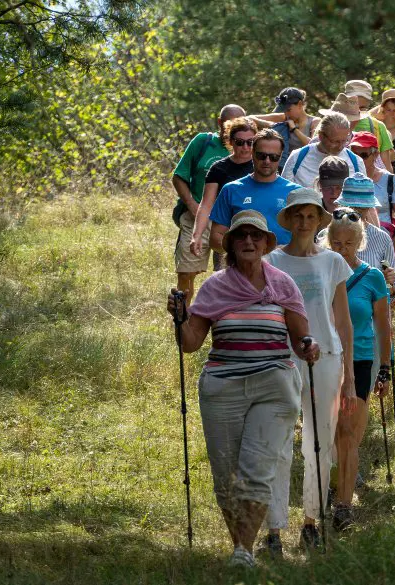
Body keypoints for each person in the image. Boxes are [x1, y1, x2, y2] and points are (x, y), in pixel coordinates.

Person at [166, 210, 320, 568]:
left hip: (274, 385)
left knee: (258, 469)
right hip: (223, 387)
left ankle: (244, 552)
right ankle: (241, 548)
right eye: (241, 236)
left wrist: (310, 348)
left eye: (256, 236)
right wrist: (180, 316)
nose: (249, 241)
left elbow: (301, 340)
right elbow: (190, 343)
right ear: (231, 244)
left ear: (266, 243)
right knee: (226, 473)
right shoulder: (215, 286)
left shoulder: (282, 284)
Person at [262, 188, 357, 554]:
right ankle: (273, 528)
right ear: (289, 219)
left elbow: (343, 320)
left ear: (320, 221)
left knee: (319, 443)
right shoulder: (272, 261)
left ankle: (311, 521)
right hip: (283, 358)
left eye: (311, 216)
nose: (304, 222)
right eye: (298, 216)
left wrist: (348, 372)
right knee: (279, 442)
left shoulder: (333, 260)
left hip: (327, 358)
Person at [325, 207, 391, 531]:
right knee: (331, 432)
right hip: (324, 358)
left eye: (348, 243)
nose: (342, 249)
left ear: (359, 243)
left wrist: (386, 368)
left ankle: (343, 506)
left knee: (350, 433)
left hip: (362, 359)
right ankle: (330, 485)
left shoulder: (373, 278)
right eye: (336, 242)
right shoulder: (320, 272)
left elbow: (384, 326)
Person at [171, 104, 246, 303]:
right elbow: (179, 176)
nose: (234, 130)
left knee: (229, 274)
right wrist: (192, 206)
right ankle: (182, 320)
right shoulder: (203, 142)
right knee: (187, 272)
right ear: (220, 123)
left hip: (231, 221)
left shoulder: (248, 148)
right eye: (230, 124)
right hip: (197, 215)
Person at [209, 129, 301, 251]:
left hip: (285, 266)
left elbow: (306, 237)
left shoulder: (296, 193)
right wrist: (245, 251)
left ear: (280, 157)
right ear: (252, 153)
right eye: (261, 156)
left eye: (273, 157)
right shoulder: (231, 190)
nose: (267, 161)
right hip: (243, 265)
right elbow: (216, 238)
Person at [318, 174, 395, 302]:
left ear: (369, 207)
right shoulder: (325, 235)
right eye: (351, 207)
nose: (355, 213)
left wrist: (389, 284)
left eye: (361, 208)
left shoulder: (381, 238)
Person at [189, 117, 258, 259]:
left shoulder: (263, 166)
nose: (245, 147)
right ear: (231, 141)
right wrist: (197, 235)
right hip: (226, 233)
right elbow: (206, 204)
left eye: (250, 142)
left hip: (259, 231)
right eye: (240, 142)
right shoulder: (218, 169)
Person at [348, 132, 395, 254]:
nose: (358, 159)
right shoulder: (346, 178)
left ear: (376, 155)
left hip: (382, 238)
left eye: (364, 155)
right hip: (350, 237)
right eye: (354, 155)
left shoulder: (390, 180)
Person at [282, 110, 366, 188]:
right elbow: (285, 192)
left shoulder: (356, 163)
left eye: (344, 141)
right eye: (335, 141)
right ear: (321, 136)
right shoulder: (297, 157)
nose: (340, 147)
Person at [249, 87, 320, 166]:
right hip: (286, 167)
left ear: (300, 104)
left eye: (289, 110)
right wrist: (271, 125)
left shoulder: (315, 121)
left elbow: (314, 146)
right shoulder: (284, 117)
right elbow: (250, 118)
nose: (286, 114)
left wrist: (294, 129)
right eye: (284, 110)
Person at [344, 79, 395, 173]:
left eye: (362, 108)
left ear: (368, 104)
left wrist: (390, 185)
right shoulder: (331, 123)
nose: (357, 111)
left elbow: (386, 166)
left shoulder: (378, 127)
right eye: (353, 105)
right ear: (345, 101)